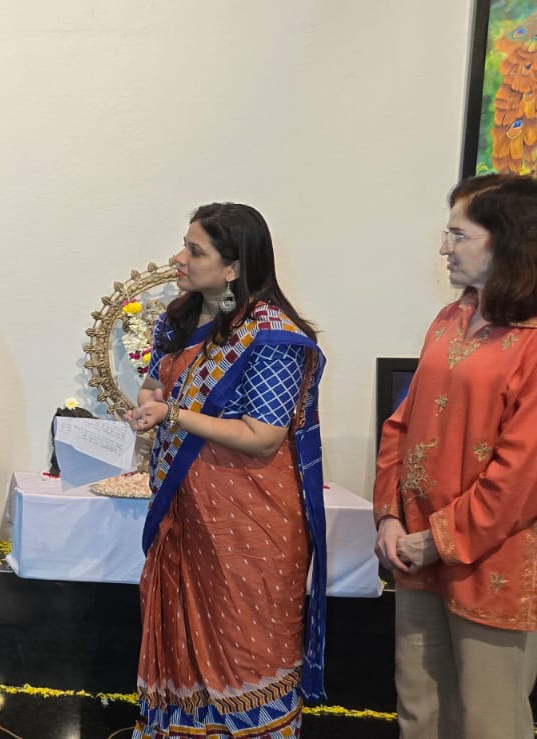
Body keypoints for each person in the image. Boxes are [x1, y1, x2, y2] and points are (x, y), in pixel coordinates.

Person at [123, 203, 326, 738]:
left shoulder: (272, 336)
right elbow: (154, 385)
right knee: (180, 634)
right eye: (184, 245)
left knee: (245, 644)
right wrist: (150, 405)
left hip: (248, 521)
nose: (179, 258)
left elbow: (264, 436)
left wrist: (173, 415)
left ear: (233, 267)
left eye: (195, 251)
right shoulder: (177, 318)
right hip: (185, 513)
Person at [374, 174, 537, 739]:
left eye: (459, 235)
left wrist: (438, 539)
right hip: (417, 553)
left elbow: (520, 475)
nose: (444, 248)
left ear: (508, 240)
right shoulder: (449, 319)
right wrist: (390, 518)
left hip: (494, 560)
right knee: (420, 710)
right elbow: (401, 425)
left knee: (489, 720)